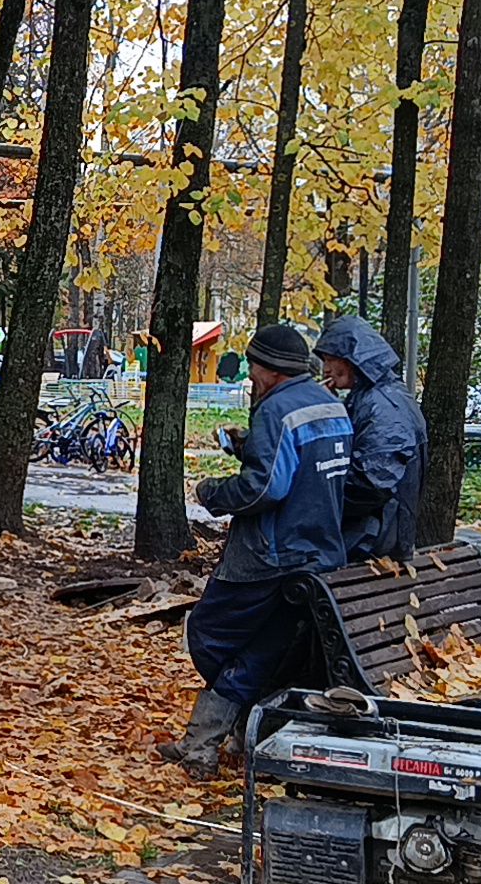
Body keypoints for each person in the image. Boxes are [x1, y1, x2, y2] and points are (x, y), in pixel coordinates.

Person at [162, 323, 352, 777]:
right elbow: (308, 469)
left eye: (252, 366)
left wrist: (212, 493)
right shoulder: (330, 406)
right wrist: (251, 449)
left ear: (269, 369)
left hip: (271, 554)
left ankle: (227, 729)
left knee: (209, 632)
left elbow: (265, 487)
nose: (249, 376)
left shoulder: (277, 410)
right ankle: (207, 743)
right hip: (320, 553)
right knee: (264, 648)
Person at [313, 315, 426, 564]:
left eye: (331, 359)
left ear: (355, 358)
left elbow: (372, 483)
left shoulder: (383, 406)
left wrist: (317, 505)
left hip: (372, 541)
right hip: (374, 536)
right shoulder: (371, 397)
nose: (326, 369)